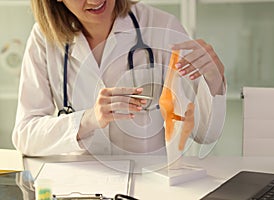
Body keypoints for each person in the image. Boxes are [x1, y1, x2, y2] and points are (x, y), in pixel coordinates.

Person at [12, 0, 226, 157]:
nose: (96, 0)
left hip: (148, 183)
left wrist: (213, 81)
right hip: (79, 187)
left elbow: (205, 135)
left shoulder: (161, 26)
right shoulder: (44, 37)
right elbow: (25, 135)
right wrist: (88, 119)